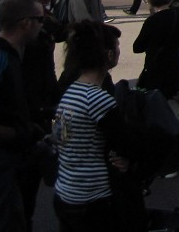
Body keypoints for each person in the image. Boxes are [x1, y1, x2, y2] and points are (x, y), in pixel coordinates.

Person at [52, 21, 135, 232]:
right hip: (93, 194)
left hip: (67, 189)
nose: (118, 51)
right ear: (108, 55)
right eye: (116, 46)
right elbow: (126, 142)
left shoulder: (72, 90)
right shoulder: (97, 99)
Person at [0, 0, 46, 232]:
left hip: (7, 162)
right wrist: (19, 134)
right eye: (40, 19)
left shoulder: (8, 55)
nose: (43, 25)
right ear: (25, 22)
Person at [132, 0, 179, 99]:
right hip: (173, 64)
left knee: (154, 102)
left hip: (155, 66)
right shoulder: (178, 16)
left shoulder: (152, 21)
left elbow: (138, 47)